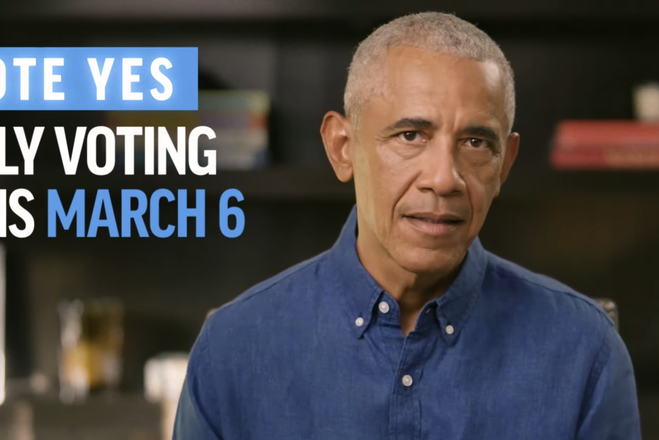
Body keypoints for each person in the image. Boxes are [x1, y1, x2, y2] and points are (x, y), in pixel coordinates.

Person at [173, 11, 641, 440]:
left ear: (505, 164)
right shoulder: (233, 349)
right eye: (410, 135)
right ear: (342, 148)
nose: (444, 178)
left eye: (476, 142)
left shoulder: (586, 352)